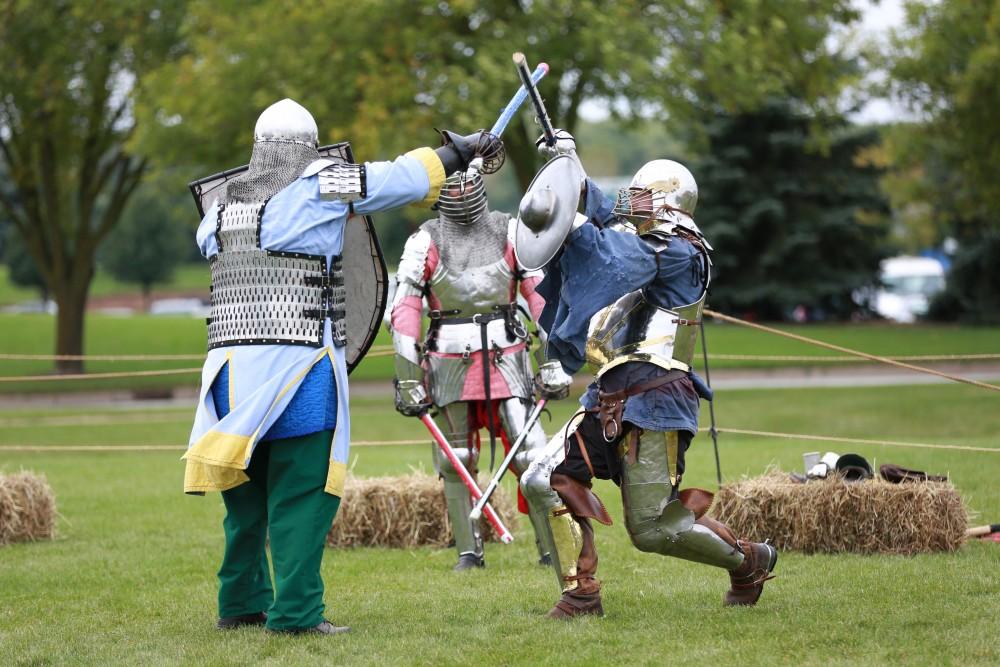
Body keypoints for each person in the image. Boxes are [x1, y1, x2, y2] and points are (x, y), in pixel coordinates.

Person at [183, 98, 493, 634]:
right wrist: (455, 153)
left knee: (246, 495)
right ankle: (297, 614)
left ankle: (240, 603)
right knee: (302, 496)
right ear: (308, 147)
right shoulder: (320, 187)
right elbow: (395, 180)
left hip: (230, 373)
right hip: (297, 369)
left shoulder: (219, 209)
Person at [520, 134, 778, 619]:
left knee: (653, 529)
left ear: (666, 203)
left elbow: (615, 255)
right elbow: (604, 208)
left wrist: (571, 224)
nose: (632, 205)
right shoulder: (643, 235)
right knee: (542, 478)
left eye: (643, 198)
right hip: (608, 395)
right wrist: (567, 165)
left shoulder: (680, 250)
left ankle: (749, 560)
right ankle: (581, 595)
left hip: (657, 397)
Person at [390, 167, 572, 570]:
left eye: (466, 182)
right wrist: (407, 377)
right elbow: (404, 308)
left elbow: (540, 298)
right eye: (451, 185)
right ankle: (469, 553)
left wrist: (554, 358)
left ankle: (550, 546)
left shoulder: (510, 231)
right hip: (448, 360)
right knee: (456, 457)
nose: (462, 191)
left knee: (532, 453)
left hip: (508, 355)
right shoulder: (425, 240)